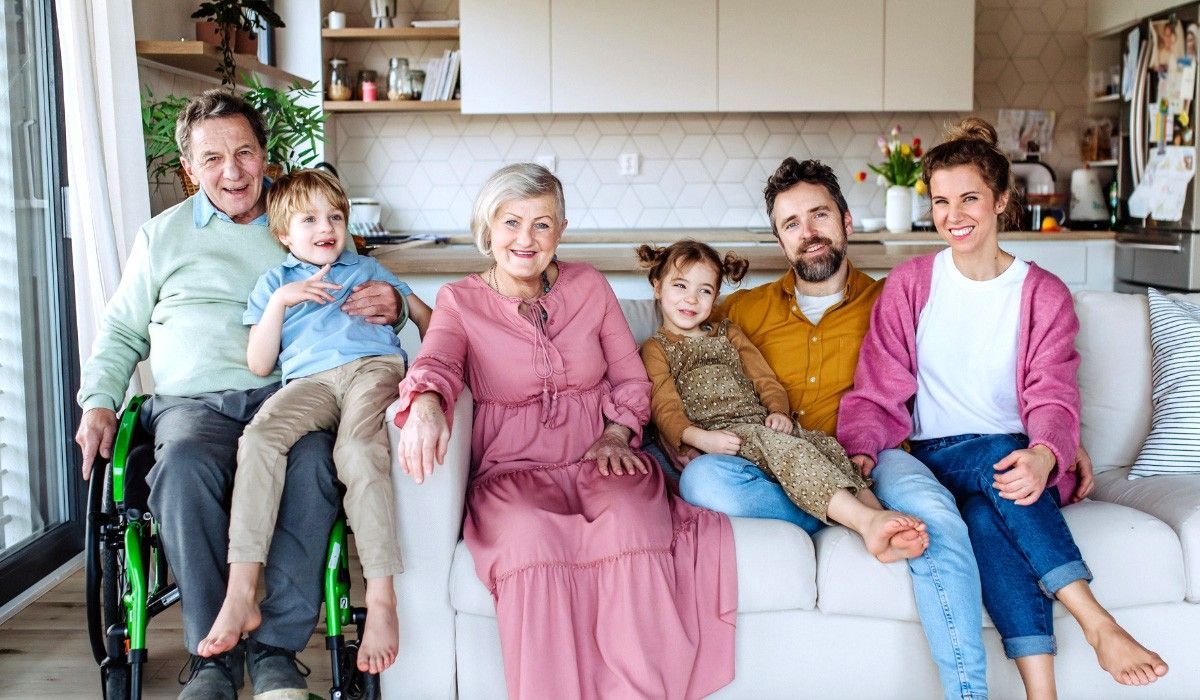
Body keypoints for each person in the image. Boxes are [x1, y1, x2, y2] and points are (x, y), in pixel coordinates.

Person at [74, 90, 407, 700]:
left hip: (292, 393)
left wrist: (398, 304)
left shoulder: (302, 221)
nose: (232, 171)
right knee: (182, 467)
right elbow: (122, 331)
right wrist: (98, 400)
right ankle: (213, 662)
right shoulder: (161, 237)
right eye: (213, 159)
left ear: (264, 156)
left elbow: (371, 296)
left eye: (244, 153)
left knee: (314, 464)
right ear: (189, 170)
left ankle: (276, 651)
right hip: (193, 407)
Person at [839, 117, 1168, 697]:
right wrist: (861, 453)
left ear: (1001, 201)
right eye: (940, 201)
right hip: (938, 458)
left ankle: (1042, 694)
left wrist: (1047, 454)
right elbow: (877, 387)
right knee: (1001, 456)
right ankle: (1099, 623)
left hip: (1021, 468)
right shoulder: (913, 284)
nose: (953, 215)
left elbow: (1054, 392)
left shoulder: (1042, 292)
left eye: (968, 198)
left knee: (992, 517)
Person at [675, 157, 1013, 700]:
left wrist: (1052, 443)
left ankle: (970, 695)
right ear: (779, 239)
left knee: (938, 522)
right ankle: (854, 517)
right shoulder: (738, 312)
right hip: (778, 464)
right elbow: (677, 363)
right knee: (702, 482)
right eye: (791, 224)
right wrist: (678, 437)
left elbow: (979, 369)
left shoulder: (896, 300)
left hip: (877, 460)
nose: (808, 233)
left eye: (819, 215)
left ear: (847, 221)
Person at [395, 163, 736, 699]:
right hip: (514, 471)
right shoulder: (459, 301)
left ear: (561, 230)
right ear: (487, 229)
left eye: (542, 225)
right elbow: (435, 363)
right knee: (529, 539)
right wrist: (426, 405)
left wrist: (617, 434)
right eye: (511, 222)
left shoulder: (590, 285)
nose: (525, 240)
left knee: (630, 521)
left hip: (599, 457)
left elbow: (630, 378)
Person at [195, 169, 432, 674]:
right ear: (283, 234)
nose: (326, 226)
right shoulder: (274, 283)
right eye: (309, 219)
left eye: (335, 216)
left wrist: (404, 308)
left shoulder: (368, 269)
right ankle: (242, 592)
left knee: (357, 452)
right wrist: (283, 302)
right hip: (310, 383)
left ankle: (383, 600)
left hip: (373, 369)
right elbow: (261, 364)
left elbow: (437, 326)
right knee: (258, 439)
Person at [637, 240, 928, 562]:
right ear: (657, 286)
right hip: (721, 435)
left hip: (759, 424)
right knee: (769, 461)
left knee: (824, 449)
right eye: (680, 286)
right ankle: (862, 521)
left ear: (716, 295)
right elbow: (664, 405)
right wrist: (697, 437)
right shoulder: (656, 348)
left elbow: (764, 378)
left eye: (705, 290)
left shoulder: (728, 333)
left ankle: (879, 522)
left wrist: (778, 412)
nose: (691, 299)